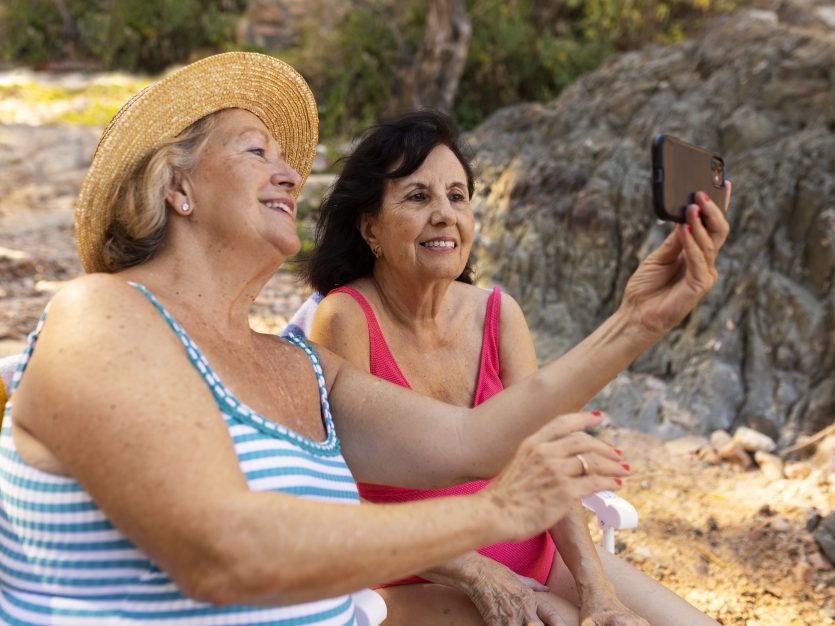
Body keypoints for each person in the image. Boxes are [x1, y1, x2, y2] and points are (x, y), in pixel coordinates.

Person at [0, 52, 637, 626]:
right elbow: (220, 555)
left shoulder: (297, 363)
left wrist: (640, 319)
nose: (290, 177)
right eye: (257, 152)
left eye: (287, 162)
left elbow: (476, 439)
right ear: (177, 188)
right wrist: (495, 515)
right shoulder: (102, 314)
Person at [303, 110, 731, 625]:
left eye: (457, 196)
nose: (444, 214)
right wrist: (479, 574)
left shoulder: (497, 314)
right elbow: (335, 500)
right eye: (418, 197)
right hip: (416, 577)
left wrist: (598, 594)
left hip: (540, 559)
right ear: (370, 226)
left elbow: (547, 461)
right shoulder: (345, 319)